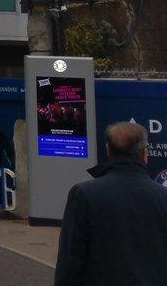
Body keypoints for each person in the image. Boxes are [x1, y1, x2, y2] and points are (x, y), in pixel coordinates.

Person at [54, 121, 167, 285]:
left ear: (108, 150)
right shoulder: (162, 197)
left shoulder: (84, 194)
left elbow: (71, 259)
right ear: (145, 153)